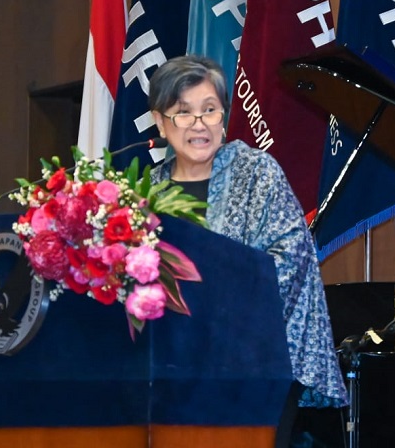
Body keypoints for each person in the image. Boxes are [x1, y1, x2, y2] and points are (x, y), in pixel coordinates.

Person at [147, 55, 347, 410]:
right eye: (183, 112)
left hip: (256, 369)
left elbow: (290, 260)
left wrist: (215, 309)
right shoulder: (146, 191)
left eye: (210, 110)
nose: (199, 124)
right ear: (160, 122)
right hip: (166, 374)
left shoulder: (256, 172)